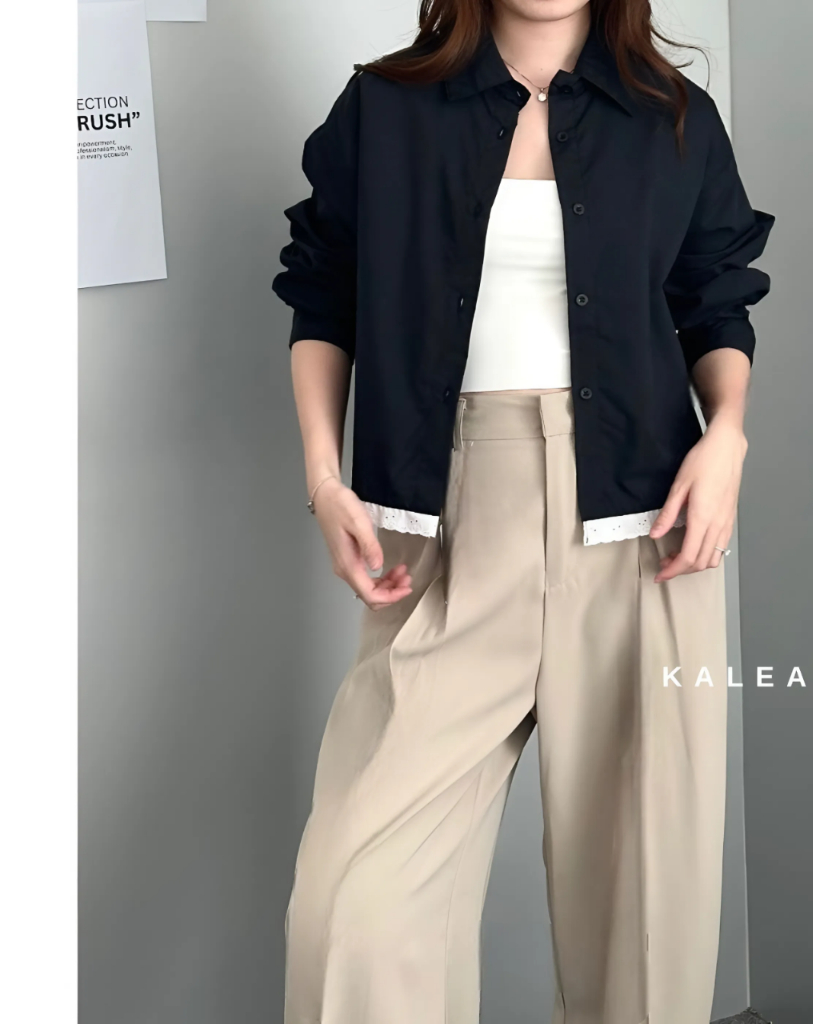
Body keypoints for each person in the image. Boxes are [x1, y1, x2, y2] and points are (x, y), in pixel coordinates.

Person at [271, 1, 773, 1021]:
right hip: (446, 534)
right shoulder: (385, 108)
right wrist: (325, 480)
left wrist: (727, 436)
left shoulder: (673, 117)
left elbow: (716, 300)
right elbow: (322, 292)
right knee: (356, 903)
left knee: (644, 920)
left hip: (644, 538)